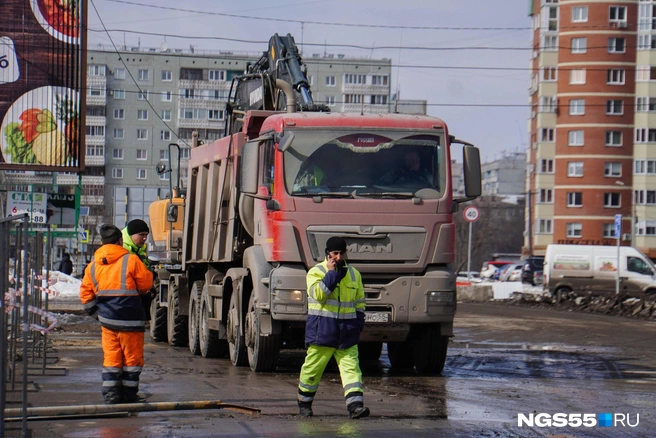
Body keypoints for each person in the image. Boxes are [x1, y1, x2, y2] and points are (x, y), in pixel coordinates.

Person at [79, 224, 154, 404]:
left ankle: (111, 396)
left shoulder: (92, 266)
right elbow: (145, 285)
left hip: (108, 322)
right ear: (120, 241)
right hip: (131, 320)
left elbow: (85, 295)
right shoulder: (131, 260)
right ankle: (129, 396)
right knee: (132, 359)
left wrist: (98, 315)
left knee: (112, 357)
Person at [297, 236, 369, 419]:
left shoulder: (354, 274)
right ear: (327, 253)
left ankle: (355, 407)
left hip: (347, 333)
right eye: (334, 253)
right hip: (323, 332)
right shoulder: (316, 272)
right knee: (312, 370)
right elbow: (319, 295)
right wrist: (331, 274)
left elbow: (360, 302)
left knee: (352, 370)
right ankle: (304, 403)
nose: (338, 257)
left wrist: (358, 323)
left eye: (341, 253)